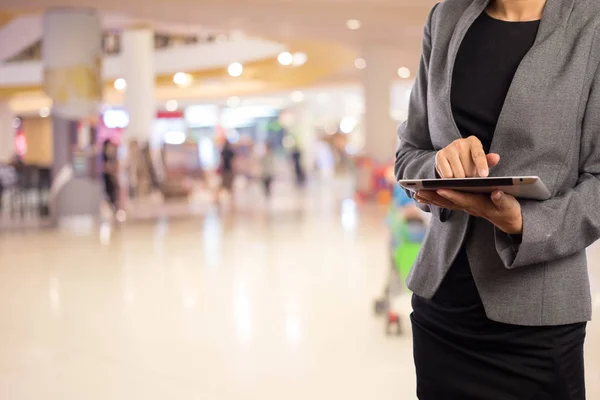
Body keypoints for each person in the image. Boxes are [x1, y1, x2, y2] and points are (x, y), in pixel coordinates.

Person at [395, 0, 599, 398]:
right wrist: (438, 164)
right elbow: (408, 154)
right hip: (443, 307)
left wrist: (524, 223)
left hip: (538, 319)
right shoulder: (445, 17)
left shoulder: (591, 24)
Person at [102, 140, 120, 215]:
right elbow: (104, 167)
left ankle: (115, 213)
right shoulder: (104, 156)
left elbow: (116, 168)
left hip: (112, 180)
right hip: (106, 180)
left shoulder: (112, 156)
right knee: (108, 198)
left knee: (114, 198)